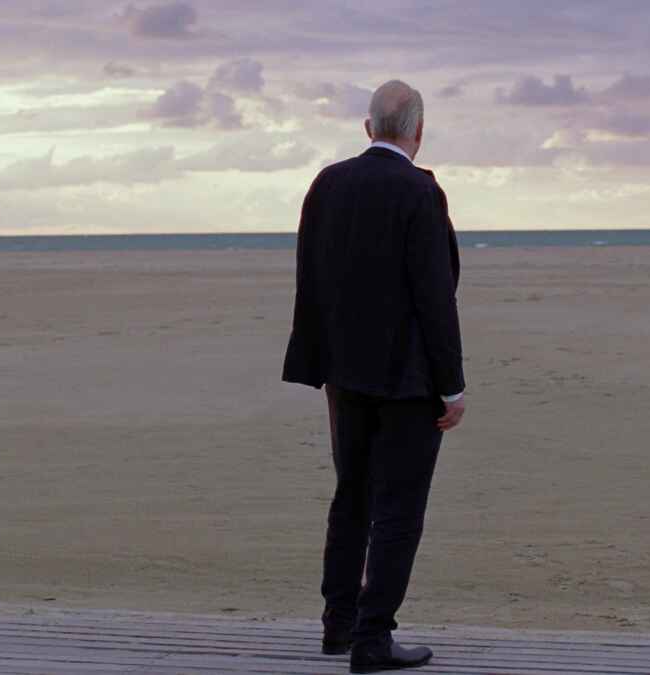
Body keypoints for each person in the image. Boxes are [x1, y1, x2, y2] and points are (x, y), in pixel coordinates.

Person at [281, 79, 466, 673]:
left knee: (352, 497)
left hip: (344, 372)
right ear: (418, 132)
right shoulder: (420, 190)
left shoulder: (327, 183)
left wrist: (317, 358)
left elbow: (310, 275)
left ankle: (338, 625)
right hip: (408, 379)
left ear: (369, 129)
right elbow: (435, 296)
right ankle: (372, 638)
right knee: (398, 510)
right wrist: (452, 384)